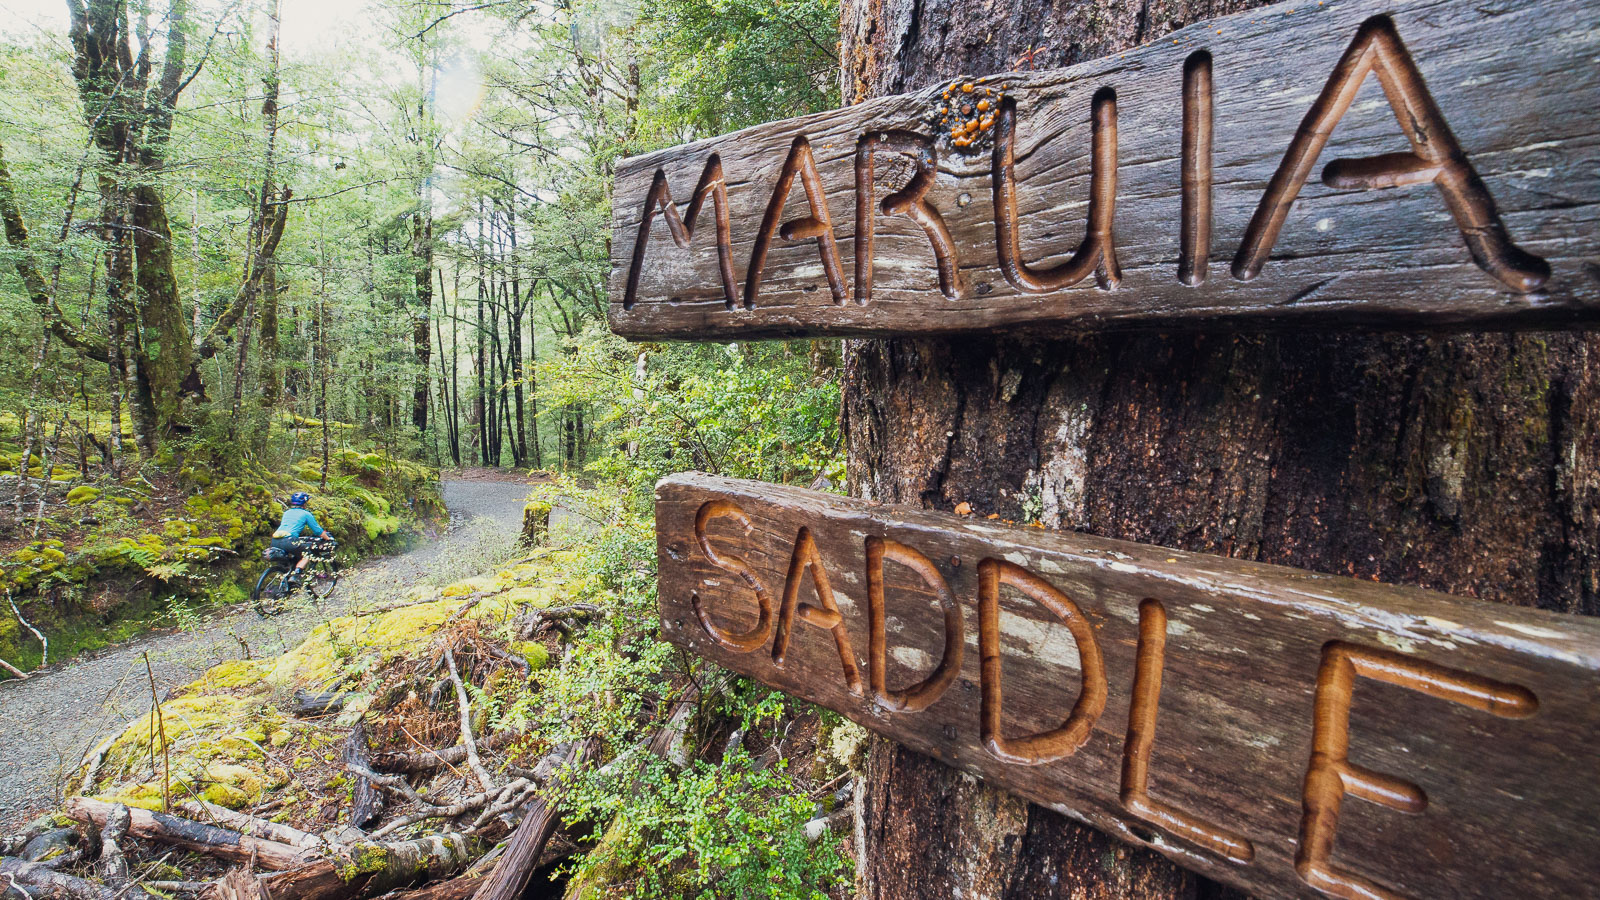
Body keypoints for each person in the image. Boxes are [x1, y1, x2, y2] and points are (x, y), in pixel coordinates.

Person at [271, 492, 334, 584]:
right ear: (304, 503)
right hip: (289, 540)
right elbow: (318, 531)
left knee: (291, 560)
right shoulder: (306, 514)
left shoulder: (287, 513)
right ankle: (296, 576)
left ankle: (284, 584)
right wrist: (328, 539)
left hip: (275, 540)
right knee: (307, 555)